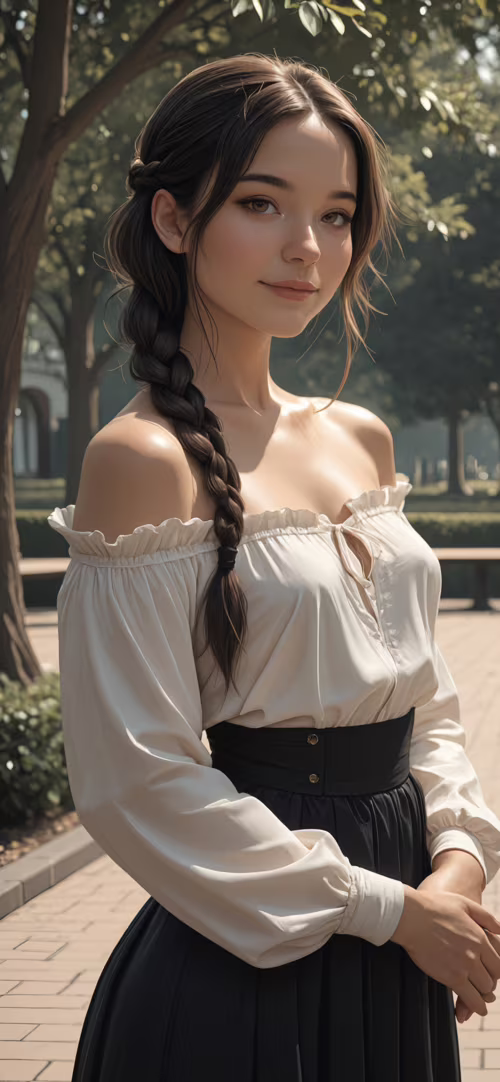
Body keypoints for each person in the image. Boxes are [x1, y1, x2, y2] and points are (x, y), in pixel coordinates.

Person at [47, 53, 500, 1081]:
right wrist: (388, 909)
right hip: (244, 960)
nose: (307, 247)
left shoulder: (361, 436)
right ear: (173, 218)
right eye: (261, 202)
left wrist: (459, 867)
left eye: (336, 214)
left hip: (404, 939)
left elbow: (425, 701)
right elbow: (138, 780)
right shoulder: (141, 458)